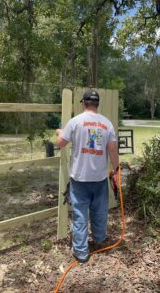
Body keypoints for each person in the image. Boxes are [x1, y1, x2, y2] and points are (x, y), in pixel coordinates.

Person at [56, 89, 119, 263]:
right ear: (97, 104)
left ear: (84, 103)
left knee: (80, 215)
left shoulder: (75, 122)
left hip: (80, 179)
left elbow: (61, 144)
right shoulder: (107, 124)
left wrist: (59, 133)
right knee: (99, 212)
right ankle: (99, 241)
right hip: (99, 179)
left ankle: (82, 252)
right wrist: (116, 170)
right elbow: (112, 150)